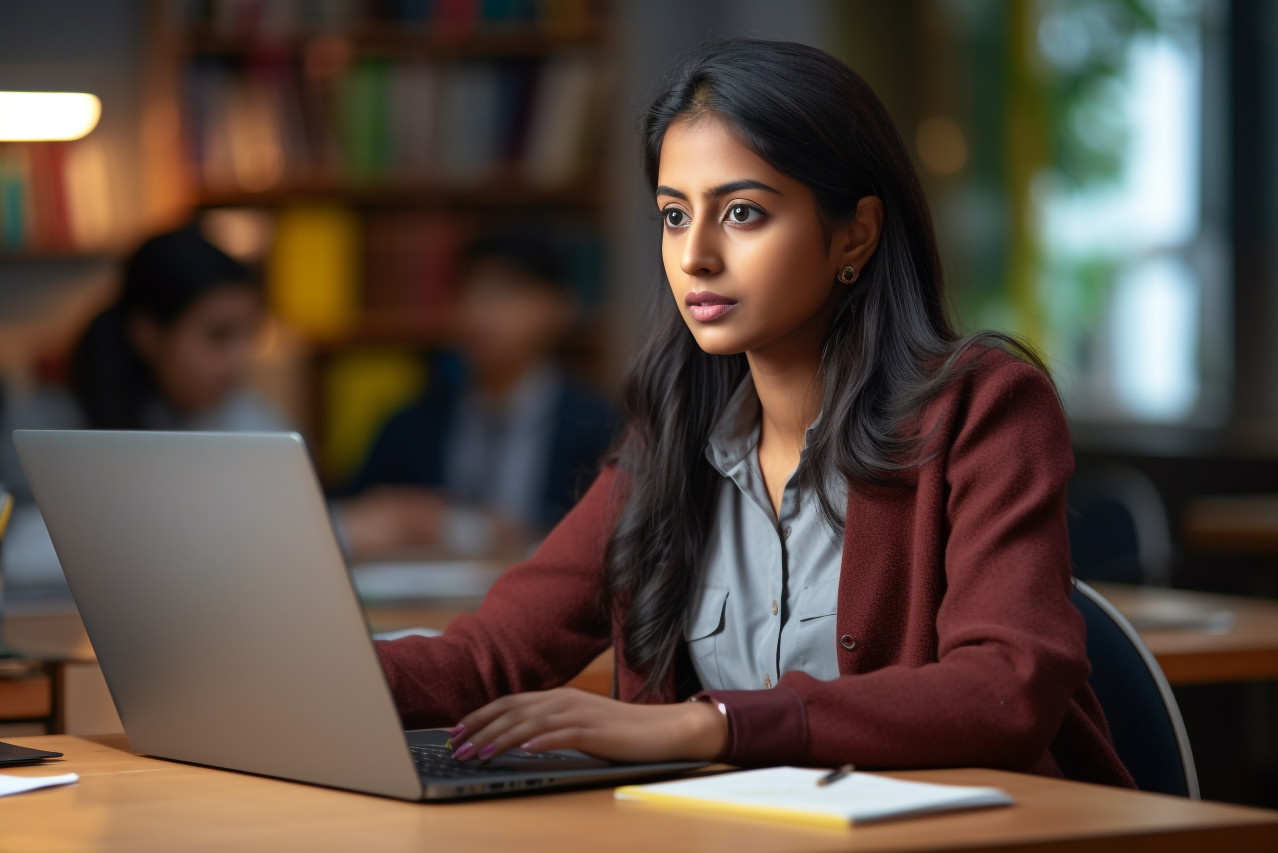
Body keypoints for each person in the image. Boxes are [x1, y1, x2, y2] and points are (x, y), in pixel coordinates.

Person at [373, 39, 1134, 787]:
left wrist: (713, 723)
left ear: (854, 234)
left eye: (741, 213)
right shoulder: (671, 440)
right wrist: (292, 668)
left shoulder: (983, 407)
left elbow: (1005, 686)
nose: (695, 255)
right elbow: (488, 657)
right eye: (675, 216)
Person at [0, 225, 285, 591]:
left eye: (249, 335)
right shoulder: (48, 428)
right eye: (219, 335)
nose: (239, 359)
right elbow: (16, 546)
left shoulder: (251, 419)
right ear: (147, 333)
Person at [335, 229, 618, 557]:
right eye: (468, 291)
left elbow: (612, 538)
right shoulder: (408, 426)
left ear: (559, 308)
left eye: (505, 292)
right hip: (422, 607)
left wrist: (478, 530)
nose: (480, 310)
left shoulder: (601, 429)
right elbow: (351, 516)